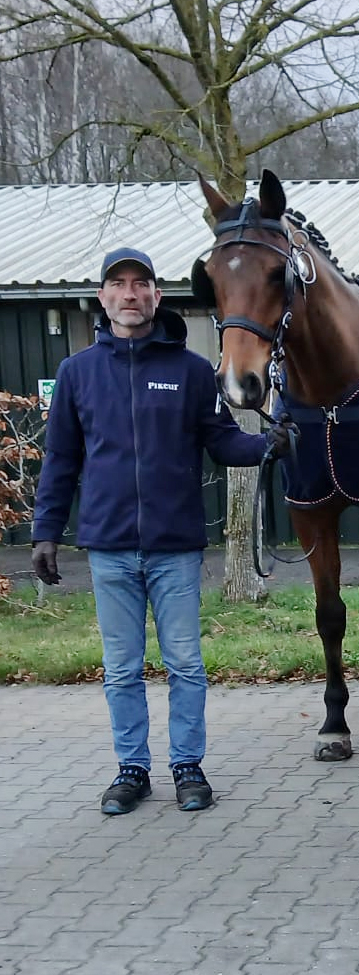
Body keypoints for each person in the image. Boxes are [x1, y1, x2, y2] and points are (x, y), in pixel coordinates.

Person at [31, 248, 289, 816]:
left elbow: (222, 442)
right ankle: (132, 770)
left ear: (155, 296)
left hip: (174, 546)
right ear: (103, 298)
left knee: (185, 665)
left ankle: (187, 768)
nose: (130, 294)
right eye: (118, 285)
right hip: (109, 547)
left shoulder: (192, 372)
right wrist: (45, 532)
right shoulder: (78, 374)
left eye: (140, 284)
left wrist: (268, 444)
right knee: (121, 670)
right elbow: (60, 462)